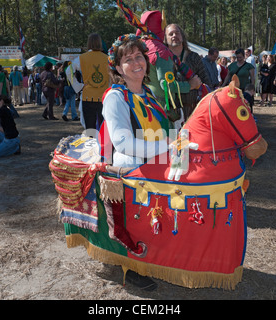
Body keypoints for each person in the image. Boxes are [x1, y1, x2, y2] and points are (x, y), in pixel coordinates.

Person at [103, 34, 170, 289]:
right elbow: (123, 143)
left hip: (158, 163)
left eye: (139, 56)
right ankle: (132, 267)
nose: (136, 62)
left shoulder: (151, 94)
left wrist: (182, 139)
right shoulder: (115, 97)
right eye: (128, 59)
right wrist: (168, 147)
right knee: (139, 221)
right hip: (131, 168)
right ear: (119, 68)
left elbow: (162, 129)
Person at [135, 11, 201, 129]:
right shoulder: (160, 51)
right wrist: (190, 85)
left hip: (142, 106)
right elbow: (166, 85)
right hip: (159, 111)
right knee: (166, 145)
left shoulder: (140, 47)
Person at [165, 23, 211, 120]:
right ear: (165, 38)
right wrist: (189, 85)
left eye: (177, 33)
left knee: (191, 135)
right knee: (172, 136)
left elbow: (206, 82)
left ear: (182, 36)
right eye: (171, 34)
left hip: (194, 112)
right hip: (171, 114)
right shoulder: (163, 59)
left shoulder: (194, 57)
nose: (174, 36)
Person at [68, 33, 109, 132]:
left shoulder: (81, 58)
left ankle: (92, 146)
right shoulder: (107, 58)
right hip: (104, 97)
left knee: (90, 130)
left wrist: (79, 86)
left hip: (88, 96)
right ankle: (104, 147)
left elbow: (68, 71)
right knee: (104, 129)